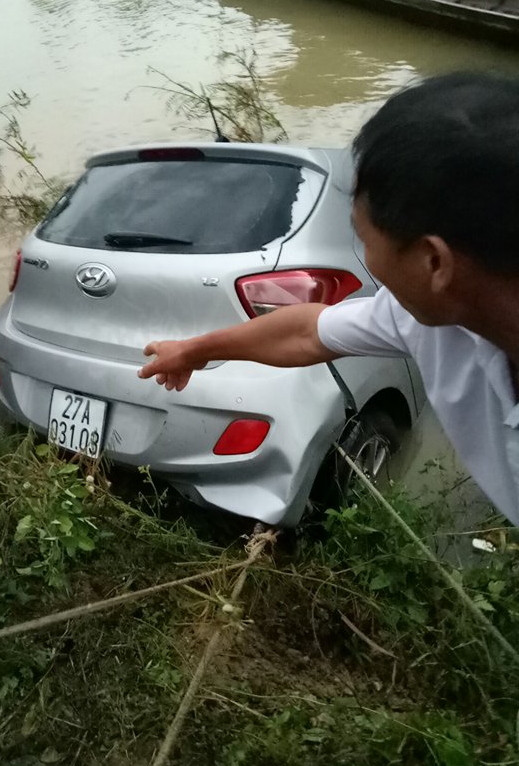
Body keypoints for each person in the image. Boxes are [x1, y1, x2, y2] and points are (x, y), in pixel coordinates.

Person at [139, 71, 519, 526]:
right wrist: (192, 351)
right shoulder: (431, 314)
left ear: (434, 262)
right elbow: (306, 331)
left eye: (364, 240)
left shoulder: (436, 313)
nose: (366, 260)